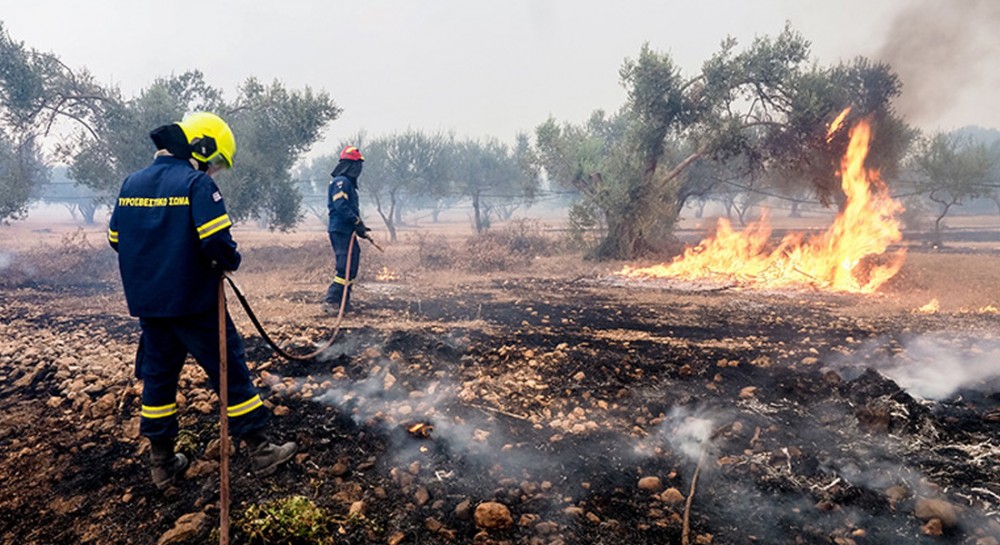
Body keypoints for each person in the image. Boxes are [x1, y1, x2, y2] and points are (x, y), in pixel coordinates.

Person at [108, 112, 296, 490]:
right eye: (215, 164)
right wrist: (228, 261)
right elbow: (216, 242)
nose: (214, 173)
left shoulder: (131, 184)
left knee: (159, 379)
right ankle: (261, 451)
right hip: (195, 302)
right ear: (203, 148)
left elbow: (116, 239)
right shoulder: (196, 184)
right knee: (230, 371)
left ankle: (161, 464)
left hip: (151, 306)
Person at [323, 145, 370, 314]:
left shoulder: (348, 184)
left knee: (353, 264)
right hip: (340, 230)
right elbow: (341, 206)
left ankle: (344, 301)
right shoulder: (340, 182)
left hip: (347, 230)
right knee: (344, 267)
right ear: (350, 165)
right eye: (357, 165)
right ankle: (331, 301)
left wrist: (359, 228)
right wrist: (356, 221)